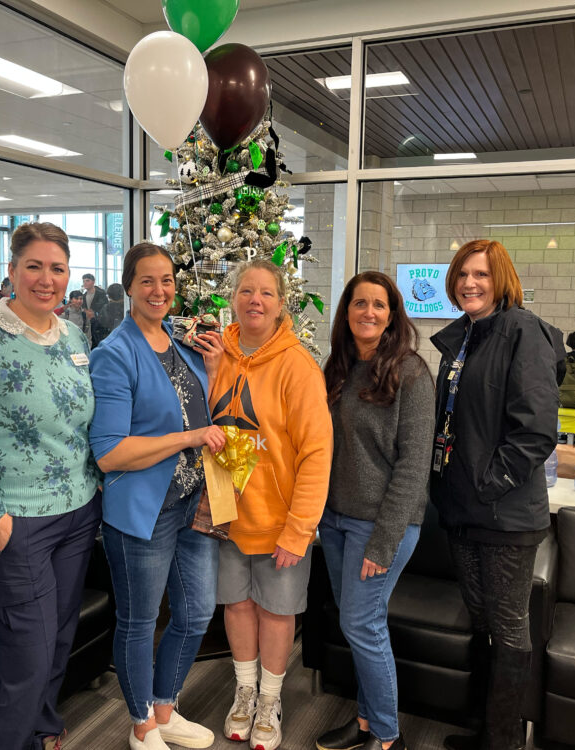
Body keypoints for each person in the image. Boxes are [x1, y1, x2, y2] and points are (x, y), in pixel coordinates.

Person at [0, 222, 101, 750]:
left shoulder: (73, 334)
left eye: (57, 268)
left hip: (78, 513)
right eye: (34, 266)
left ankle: (43, 731)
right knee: (25, 660)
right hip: (15, 522)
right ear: (11, 271)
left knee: (57, 643)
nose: (46, 279)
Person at [89, 242, 226, 750]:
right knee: (139, 622)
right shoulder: (114, 355)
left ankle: (165, 709)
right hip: (143, 513)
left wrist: (215, 367)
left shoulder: (182, 342)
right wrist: (188, 440)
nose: (159, 290)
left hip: (193, 503)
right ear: (128, 286)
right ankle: (140, 723)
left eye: (167, 280)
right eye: (147, 280)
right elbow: (109, 452)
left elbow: (201, 408)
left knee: (195, 612)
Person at [430, 240, 560, 750]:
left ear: (501, 278)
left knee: (508, 630)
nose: (469, 283)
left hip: (504, 515)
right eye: (462, 273)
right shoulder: (465, 337)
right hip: (463, 509)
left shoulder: (522, 331)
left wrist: (489, 484)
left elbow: (535, 430)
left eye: (480, 274)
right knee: (483, 621)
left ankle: (503, 741)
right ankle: (485, 730)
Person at [210, 259, 332, 750]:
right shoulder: (220, 354)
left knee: (277, 612)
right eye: (245, 291)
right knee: (237, 605)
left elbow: (317, 453)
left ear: (282, 303)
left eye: (265, 292)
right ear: (233, 298)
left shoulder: (297, 365)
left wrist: (299, 528)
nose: (254, 300)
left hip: (280, 521)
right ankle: (244, 691)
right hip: (226, 517)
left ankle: (270, 699)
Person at [314, 271, 434, 750]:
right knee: (361, 622)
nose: (368, 312)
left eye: (378, 305)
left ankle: (387, 737)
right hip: (337, 520)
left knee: (360, 624)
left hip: (383, 524)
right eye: (359, 303)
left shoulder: (412, 373)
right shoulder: (337, 367)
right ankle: (365, 721)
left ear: (392, 314)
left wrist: (384, 542)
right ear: (347, 312)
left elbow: (413, 468)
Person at [81, 272, 110, 346]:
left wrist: (95, 314)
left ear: (93, 282)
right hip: (88, 324)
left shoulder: (101, 294)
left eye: (87, 281)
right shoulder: (83, 296)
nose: (85, 283)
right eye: (84, 281)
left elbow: (106, 309)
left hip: (100, 325)